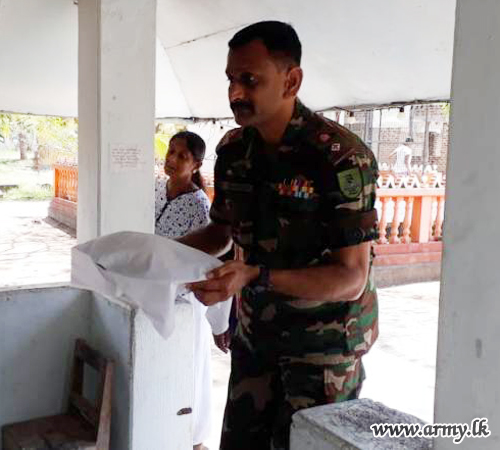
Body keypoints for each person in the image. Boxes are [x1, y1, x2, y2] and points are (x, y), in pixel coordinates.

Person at [179, 21, 379, 449]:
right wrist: (155, 254)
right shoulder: (234, 151)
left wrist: (255, 275)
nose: (235, 92)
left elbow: (351, 277)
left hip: (322, 351)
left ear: (291, 81)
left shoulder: (339, 158)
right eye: (231, 79)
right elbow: (221, 233)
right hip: (256, 339)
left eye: (249, 80)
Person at [155, 131, 217, 450]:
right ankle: (164, 426)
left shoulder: (198, 204)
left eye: (182, 156)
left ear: (196, 165)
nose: (172, 159)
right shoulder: (157, 189)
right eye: (171, 151)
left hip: (186, 297)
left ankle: (194, 437)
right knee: (162, 365)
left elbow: (203, 260)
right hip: (155, 289)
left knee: (190, 366)